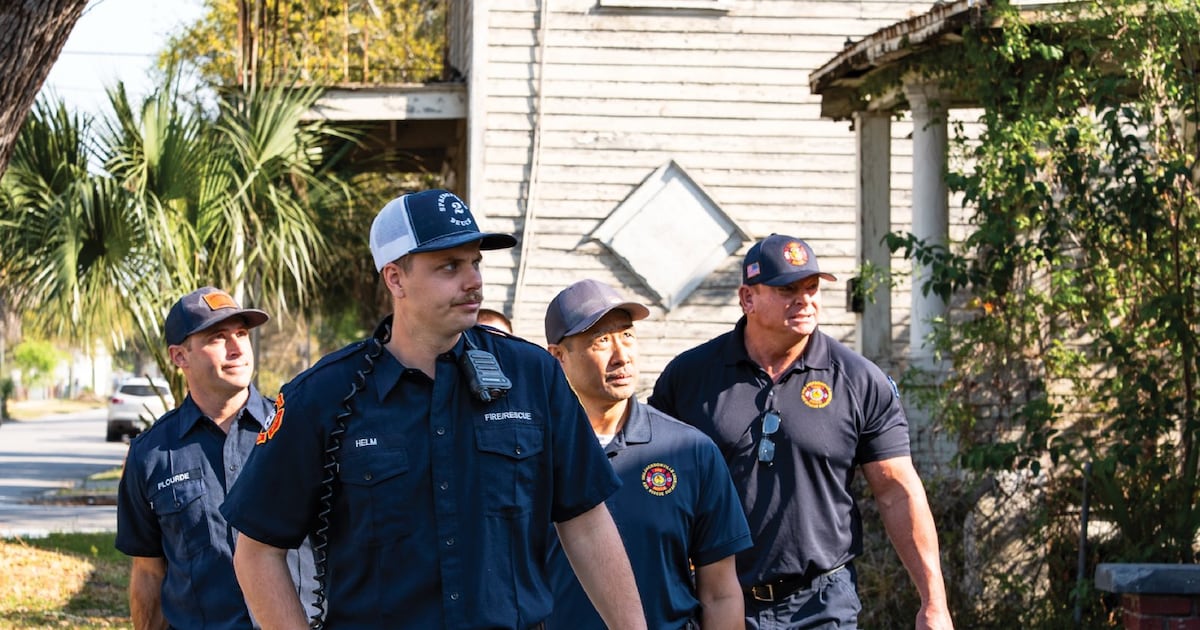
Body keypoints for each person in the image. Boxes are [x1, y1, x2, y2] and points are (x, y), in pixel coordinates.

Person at [222, 189, 646, 629]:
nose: (473, 281)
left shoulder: (532, 375)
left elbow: (586, 522)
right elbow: (257, 553)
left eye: (475, 262)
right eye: (449, 266)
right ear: (395, 279)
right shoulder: (322, 397)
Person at [649, 234, 954, 630]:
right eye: (787, 289)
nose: (805, 299)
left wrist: (934, 602)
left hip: (821, 602)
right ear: (748, 299)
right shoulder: (690, 378)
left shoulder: (859, 380)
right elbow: (656, 484)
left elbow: (897, 491)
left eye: (812, 288)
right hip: (716, 599)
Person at [543, 279, 752, 629]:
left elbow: (720, 592)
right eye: (601, 341)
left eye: (627, 335)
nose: (621, 355)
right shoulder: (530, 453)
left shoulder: (689, 450)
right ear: (558, 357)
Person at [115, 287, 318, 629]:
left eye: (241, 334)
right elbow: (149, 572)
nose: (238, 348)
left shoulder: (298, 431)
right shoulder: (150, 455)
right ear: (180, 356)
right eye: (218, 337)